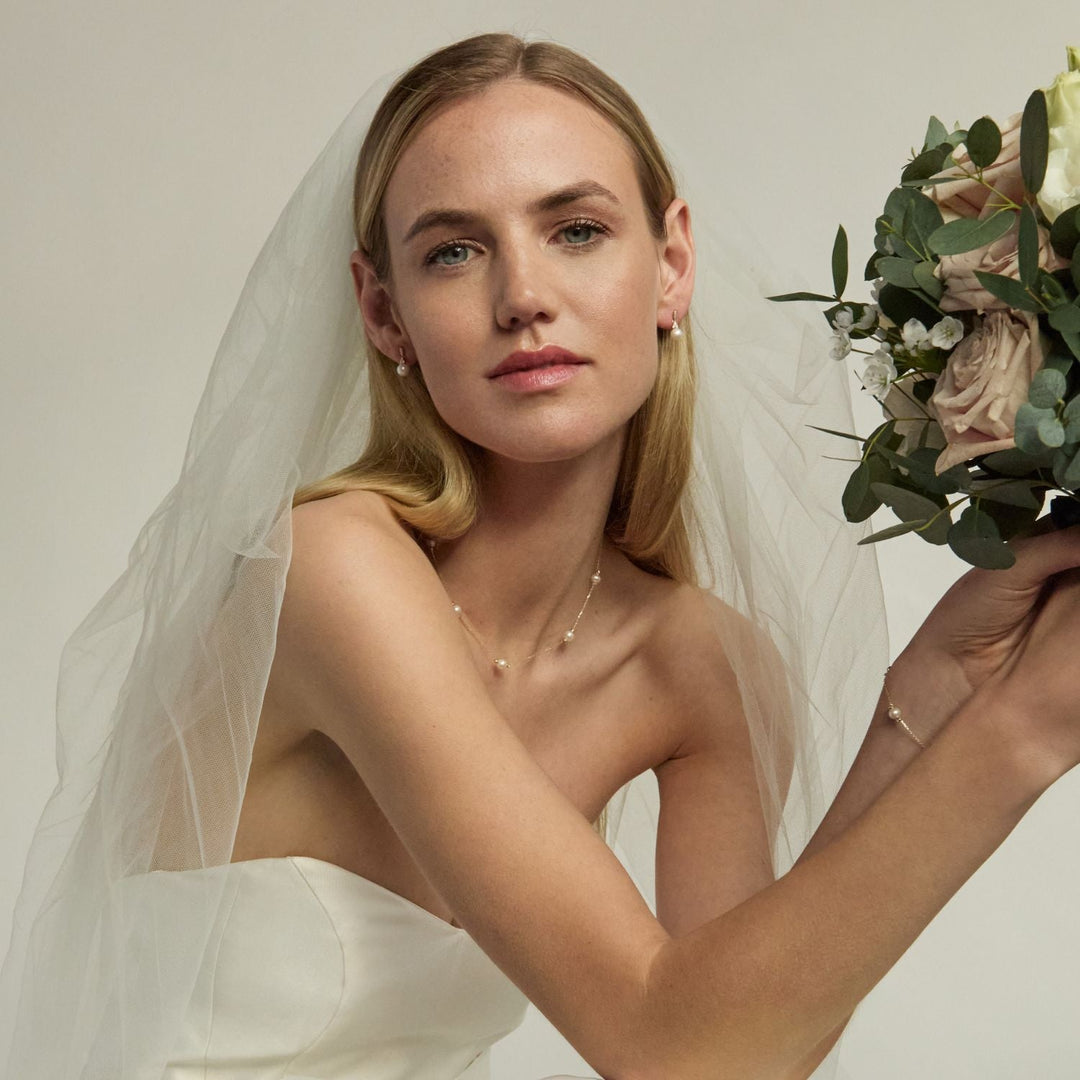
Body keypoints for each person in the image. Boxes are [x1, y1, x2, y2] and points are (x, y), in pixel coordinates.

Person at [3, 30, 1080, 1080]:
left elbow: (742, 1052)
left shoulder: (695, 664)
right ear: (385, 313)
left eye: (575, 230)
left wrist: (937, 690)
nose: (521, 295)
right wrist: (1024, 727)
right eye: (453, 251)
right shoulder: (335, 572)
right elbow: (665, 1045)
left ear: (672, 266)